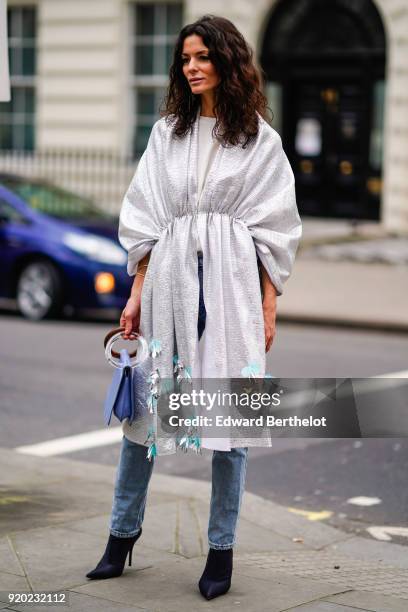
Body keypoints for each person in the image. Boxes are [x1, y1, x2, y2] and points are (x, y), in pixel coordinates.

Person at [86, 14, 302, 601]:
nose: (191, 67)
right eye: (185, 59)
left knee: (229, 424)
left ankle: (222, 549)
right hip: (167, 286)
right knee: (147, 418)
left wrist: (269, 309)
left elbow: (274, 233)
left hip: (232, 291)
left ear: (228, 61)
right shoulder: (167, 134)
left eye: (203, 56)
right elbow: (147, 221)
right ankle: (120, 536)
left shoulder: (260, 140)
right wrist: (133, 295)